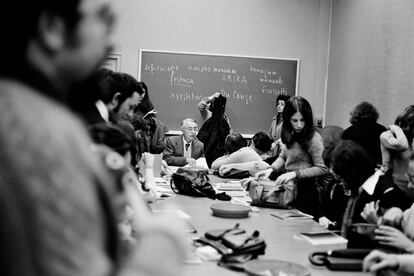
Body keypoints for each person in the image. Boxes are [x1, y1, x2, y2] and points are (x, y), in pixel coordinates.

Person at [0, 1, 186, 275]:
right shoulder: (40, 129)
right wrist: (165, 242)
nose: (110, 41)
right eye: (105, 18)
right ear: (52, 27)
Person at [326, 140, 411, 248]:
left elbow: (392, 240)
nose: (331, 172)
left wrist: (378, 221)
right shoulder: (360, 187)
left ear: (351, 169)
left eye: (337, 171)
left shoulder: (387, 191)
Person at [256, 96, 329, 219]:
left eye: (302, 120)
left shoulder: (314, 138)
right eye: (294, 120)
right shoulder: (291, 134)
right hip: (289, 189)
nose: (299, 125)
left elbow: (322, 168)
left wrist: (294, 174)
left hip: (306, 194)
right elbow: (283, 156)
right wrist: (270, 169)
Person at [380, 105, 414, 200]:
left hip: (411, 188)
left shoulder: (411, 140)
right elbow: (403, 145)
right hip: (397, 190)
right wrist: (396, 128)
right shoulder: (387, 135)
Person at [132, 82, 169, 154]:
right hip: (133, 138)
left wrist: (151, 122)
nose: (142, 95)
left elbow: (152, 122)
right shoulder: (129, 105)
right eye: (139, 92)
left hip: (147, 139)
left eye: (143, 92)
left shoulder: (147, 106)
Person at [197, 94, 231, 167]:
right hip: (208, 149)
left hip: (220, 151)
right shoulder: (209, 115)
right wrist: (211, 97)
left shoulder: (225, 119)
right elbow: (201, 106)